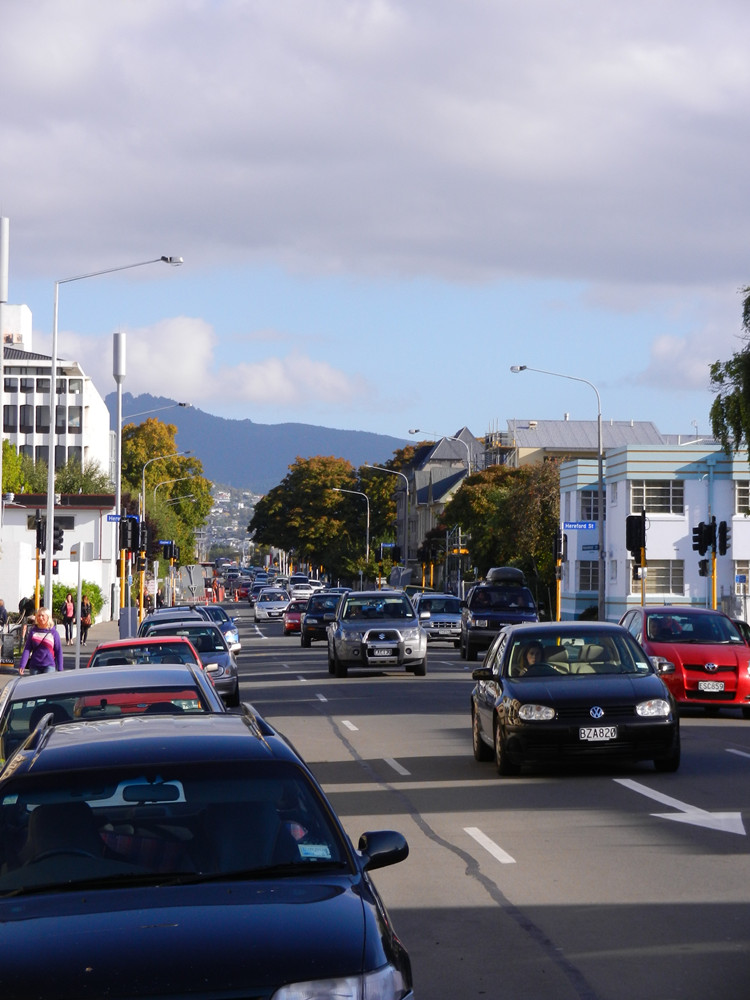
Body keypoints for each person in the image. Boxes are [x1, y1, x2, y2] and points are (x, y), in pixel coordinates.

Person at [18, 608, 63, 675]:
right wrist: (22, 665)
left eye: (42, 615)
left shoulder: (53, 633)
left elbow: (58, 651)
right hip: (34, 666)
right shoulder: (33, 631)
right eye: (38, 615)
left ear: (48, 617)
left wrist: (60, 669)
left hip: (49, 666)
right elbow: (27, 649)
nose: (40, 618)